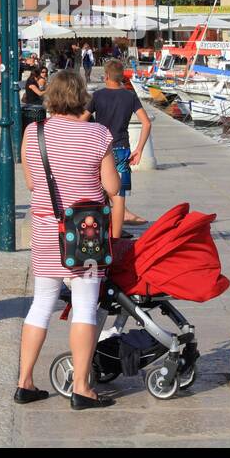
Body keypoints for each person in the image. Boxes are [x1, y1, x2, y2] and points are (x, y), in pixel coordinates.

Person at [15, 70, 120, 409]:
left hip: (46, 229)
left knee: (42, 303)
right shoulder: (98, 134)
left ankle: (25, 383)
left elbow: (32, 183)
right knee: (86, 305)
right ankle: (81, 387)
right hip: (85, 233)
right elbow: (113, 188)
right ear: (81, 96)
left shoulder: (35, 131)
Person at [83, 58, 152, 235]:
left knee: (99, 192)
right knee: (119, 196)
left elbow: (82, 120)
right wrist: (139, 149)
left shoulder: (97, 96)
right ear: (121, 77)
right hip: (122, 149)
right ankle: (116, 238)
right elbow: (146, 123)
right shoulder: (130, 96)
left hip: (100, 148)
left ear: (106, 75)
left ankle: (101, 232)